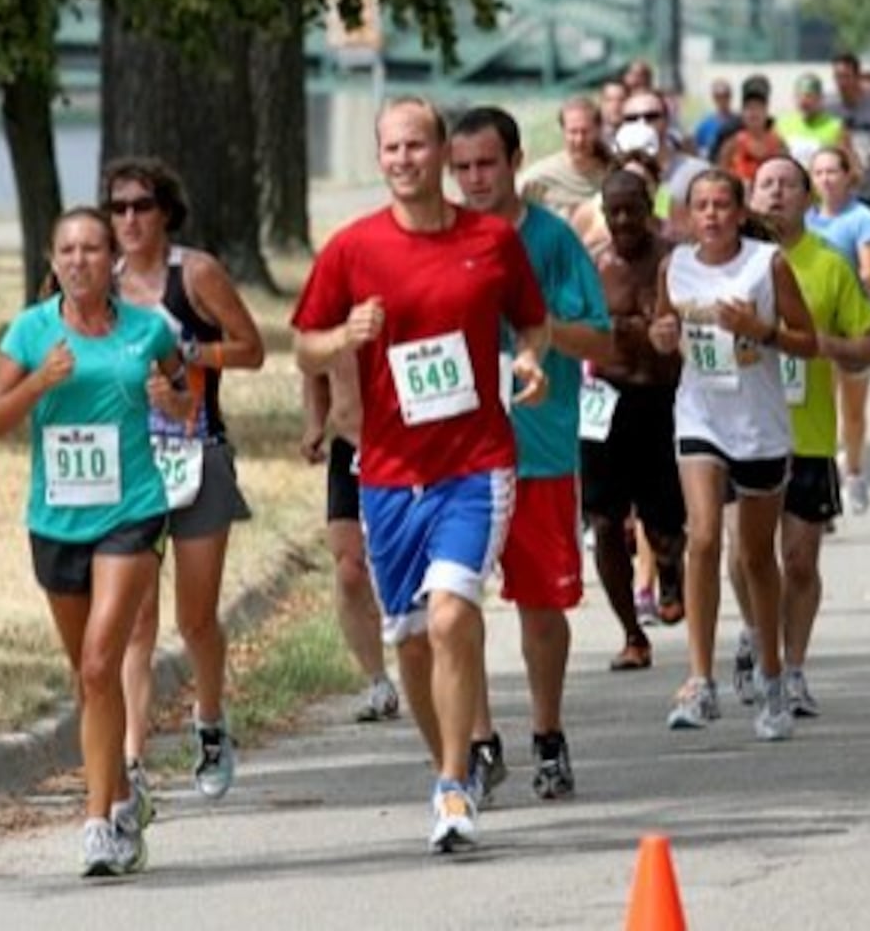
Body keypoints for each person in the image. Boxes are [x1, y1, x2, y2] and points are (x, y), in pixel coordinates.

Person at [292, 96, 550, 854]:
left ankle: (451, 781)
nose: (404, 160)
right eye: (391, 149)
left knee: (449, 613)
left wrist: (530, 356)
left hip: (475, 461)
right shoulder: (352, 248)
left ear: (440, 152)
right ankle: (449, 763)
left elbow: (528, 318)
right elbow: (305, 344)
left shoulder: (492, 240)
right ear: (381, 159)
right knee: (409, 639)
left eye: (416, 146)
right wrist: (344, 334)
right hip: (388, 469)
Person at [0, 207, 193, 876]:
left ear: (112, 262)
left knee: (102, 666)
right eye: (68, 249)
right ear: (53, 259)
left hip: (131, 510)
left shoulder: (146, 329)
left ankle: (97, 824)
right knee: (87, 678)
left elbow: (186, 395)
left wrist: (172, 397)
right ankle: (125, 797)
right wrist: (39, 382)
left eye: (93, 249)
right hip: (56, 520)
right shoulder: (29, 332)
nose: (80, 261)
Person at [449, 106, 612, 805]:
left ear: (515, 162)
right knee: (453, 602)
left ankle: (547, 735)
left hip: (538, 449)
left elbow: (599, 341)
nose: (474, 179)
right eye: (461, 167)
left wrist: (538, 328)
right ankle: (480, 741)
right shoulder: (439, 241)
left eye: (487, 163)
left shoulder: (550, 240)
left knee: (540, 605)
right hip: (455, 451)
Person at [106, 157, 264, 811]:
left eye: (142, 205)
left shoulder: (193, 274)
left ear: (165, 210)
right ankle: (132, 757)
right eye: (117, 208)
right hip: (130, 465)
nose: (130, 219)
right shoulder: (101, 284)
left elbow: (252, 347)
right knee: (134, 618)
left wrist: (191, 356)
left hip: (197, 455)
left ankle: (209, 722)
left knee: (195, 617)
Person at [650, 169, 817, 740]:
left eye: (723, 204)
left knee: (753, 556)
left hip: (759, 425)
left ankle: (772, 676)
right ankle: (700, 681)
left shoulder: (766, 265)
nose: (713, 215)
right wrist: (663, 337)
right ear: (688, 214)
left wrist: (759, 329)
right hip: (700, 415)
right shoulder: (675, 266)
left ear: (741, 211)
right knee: (700, 538)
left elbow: (808, 341)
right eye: (702, 206)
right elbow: (662, 325)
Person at [728, 156, 870, 716]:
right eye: (765, 185)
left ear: (807, 198)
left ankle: (791, 669)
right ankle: (752, 632)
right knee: (745, 555)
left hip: (808, 435)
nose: (776, 194)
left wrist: (826, 346)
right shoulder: (730, 262)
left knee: (797, 560)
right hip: (740, 433)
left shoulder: (828, 265)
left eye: (788, 185)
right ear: (750, 195)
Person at [584, 169, 689, 667]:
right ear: (603, 214)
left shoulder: (674, 258)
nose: (623, 219)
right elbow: (566, 326)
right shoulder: (593, 264)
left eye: (632, 208)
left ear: (650, 207)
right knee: (605, 522)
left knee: (666, 523)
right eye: (614, 210)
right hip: (605, 401)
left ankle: (671, 571)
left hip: (665, 398)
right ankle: (631, 634)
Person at [300, 358, 400, 724]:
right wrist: (314, 423)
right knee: (349, 569)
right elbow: (313, 363)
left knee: (411, 563)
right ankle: (378, 681)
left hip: (404, 441)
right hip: (350, 444)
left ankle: (434, 663)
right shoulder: (335, 305)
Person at [805, 147, 870, 516]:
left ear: (847, 175)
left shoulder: (862, 218)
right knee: (818, 406)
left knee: (852, 411)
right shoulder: (804, 219)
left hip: (850, 327)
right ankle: (822, 480)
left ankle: (853, 469)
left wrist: (858, 310)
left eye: (832, 172)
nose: (825, 179)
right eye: (818, 173)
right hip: (813, 328)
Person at [620, 88, 711, 238]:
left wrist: (656, 192)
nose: (641, 123)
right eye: (631, 118)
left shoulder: (698, 172)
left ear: (667, 120)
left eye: (651, 116)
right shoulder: (610, 172)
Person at [518, 96, 612, 219]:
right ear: (563, 131)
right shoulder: (539, 177)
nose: (579, 140)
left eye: (585, 132)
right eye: (573, 132)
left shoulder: (612, 173)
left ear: (598, 130)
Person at [827, 52, 870, 173]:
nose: (841, 82)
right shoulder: (827, 106)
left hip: (869, 178)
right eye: (837, 76)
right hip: (840, 177)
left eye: (846, 76)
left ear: (857, 76)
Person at [717, 76, 788, 186]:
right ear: (742, 113)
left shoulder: (778, 143)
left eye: (758, 108)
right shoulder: (732, 144)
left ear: (766, 111)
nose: (753, 113)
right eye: (749, 108)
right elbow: (721, 175)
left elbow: (786, 172)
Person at [778, 72, 851, 168]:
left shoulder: (835, 126)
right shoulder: (781, 124)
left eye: (809, 96)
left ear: (820, 99)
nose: (804, 101)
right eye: (799, 96)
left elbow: (847, 163)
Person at [693, 78, 740, 163]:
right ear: (713, 98)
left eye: (725, 95)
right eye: (718, 96)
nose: (722, 100)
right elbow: (698, 150)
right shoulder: (704, 125)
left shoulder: (739, 122)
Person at [599, 77, 630, 150]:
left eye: (621, 100)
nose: (615, 106)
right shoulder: (592, 137)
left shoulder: (637, 135)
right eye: (609, 100)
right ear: (601, 103)